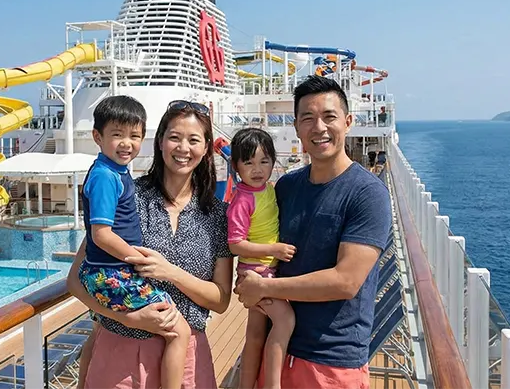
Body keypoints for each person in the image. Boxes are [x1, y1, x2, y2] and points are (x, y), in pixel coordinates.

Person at [234, 75, 393, 388]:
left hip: (329, 363)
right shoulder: (288, 186)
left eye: (329, 117)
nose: (319, 127)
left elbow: (345, 282)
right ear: (296, 127)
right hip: (276, 353)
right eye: (308, 118)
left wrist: (264, 289)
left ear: (348, 122)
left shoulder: (367, 193)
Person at [68, 99, 234, 389]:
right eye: (174, 137)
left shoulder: (216, 214)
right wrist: (130, 318)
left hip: (186, 358)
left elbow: (220, 300)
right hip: (120, 349)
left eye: (193, 140)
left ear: (206, 147)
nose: (183, 148)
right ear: (159, 142)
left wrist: (169, 272)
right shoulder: (129, 196)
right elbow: (75, 280)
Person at [76, 95, 191, 389]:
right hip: (113, 273)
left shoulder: (116, 172)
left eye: (135, 136)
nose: (126, 143)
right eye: (117, 134)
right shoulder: (105, 176)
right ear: (97, 137)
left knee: (99, 327)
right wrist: (137, 259)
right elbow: (100, 234)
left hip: (107, 271)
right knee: (179, 330)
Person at [225, 128, 296, 389]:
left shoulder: (267, 190)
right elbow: (235, 245)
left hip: (264, 270)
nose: (257, 169)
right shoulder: (242, 200)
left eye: (264, 161)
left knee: (255, 335)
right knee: (285, 319)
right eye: (249, 162)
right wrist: (274, 250)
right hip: (257, 273)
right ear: (236, 166)